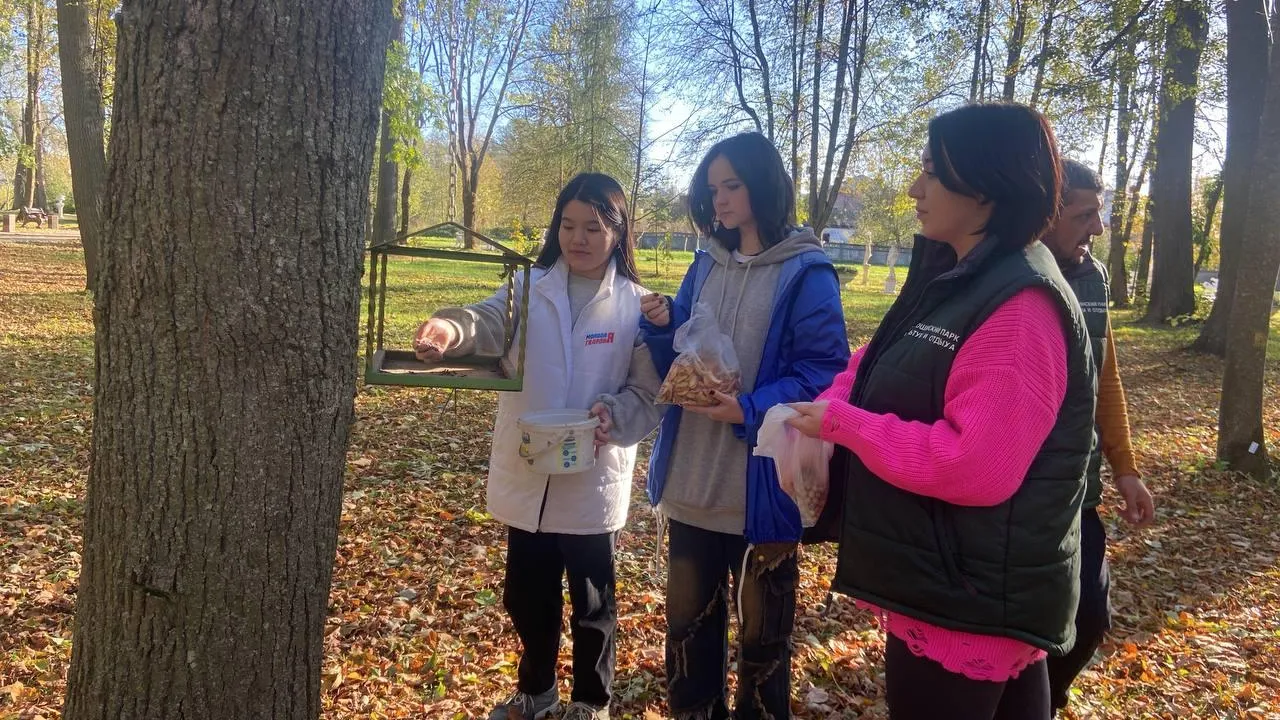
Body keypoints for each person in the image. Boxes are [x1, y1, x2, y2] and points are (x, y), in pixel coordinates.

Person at [788, 103, 1097, 720]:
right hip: (960, 582)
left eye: (931, 171)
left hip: (971, 600)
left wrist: (844, 426)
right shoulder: (963, 273)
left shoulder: (1019, 307)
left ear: (982, 186)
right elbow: (886, 354)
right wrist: (833, 397)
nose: (914, 188)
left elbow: (974, 466)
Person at [414, 173, 662, 720]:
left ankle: (590, 701)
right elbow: (484, 318)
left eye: (593, 228)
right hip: (529, 471)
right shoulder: (529, 286)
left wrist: (615, 416)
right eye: (568, 225)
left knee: (593, 601)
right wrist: (447, 330)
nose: (578, 238)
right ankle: (538, 690)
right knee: (526, 595)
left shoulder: (636, 306)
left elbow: (649, 390)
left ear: (618, 234)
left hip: (591, 472)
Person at [639, 131, 850, 720]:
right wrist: (663, 324)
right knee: (687, 641)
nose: (721, 200)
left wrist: (750, 408)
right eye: (713, 189)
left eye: (732, 185)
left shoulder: (808, 273)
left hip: (765, 498)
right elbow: (685, 349)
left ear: (764, 183)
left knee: (763, 655)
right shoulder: (705, 262)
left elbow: (824, 373)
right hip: (691, 488)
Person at [1041, 158, 1156, 715]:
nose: (1100, 228)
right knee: (1031, 633)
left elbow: (1103, 375)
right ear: (1046, 214)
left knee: (1089, 622)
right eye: (1085, 215)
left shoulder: (1094, 276)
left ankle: (1047, 701)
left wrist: (1126, 468)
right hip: (1021, 493)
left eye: (1100, 212)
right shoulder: (1013, 273)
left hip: (1080, 494)